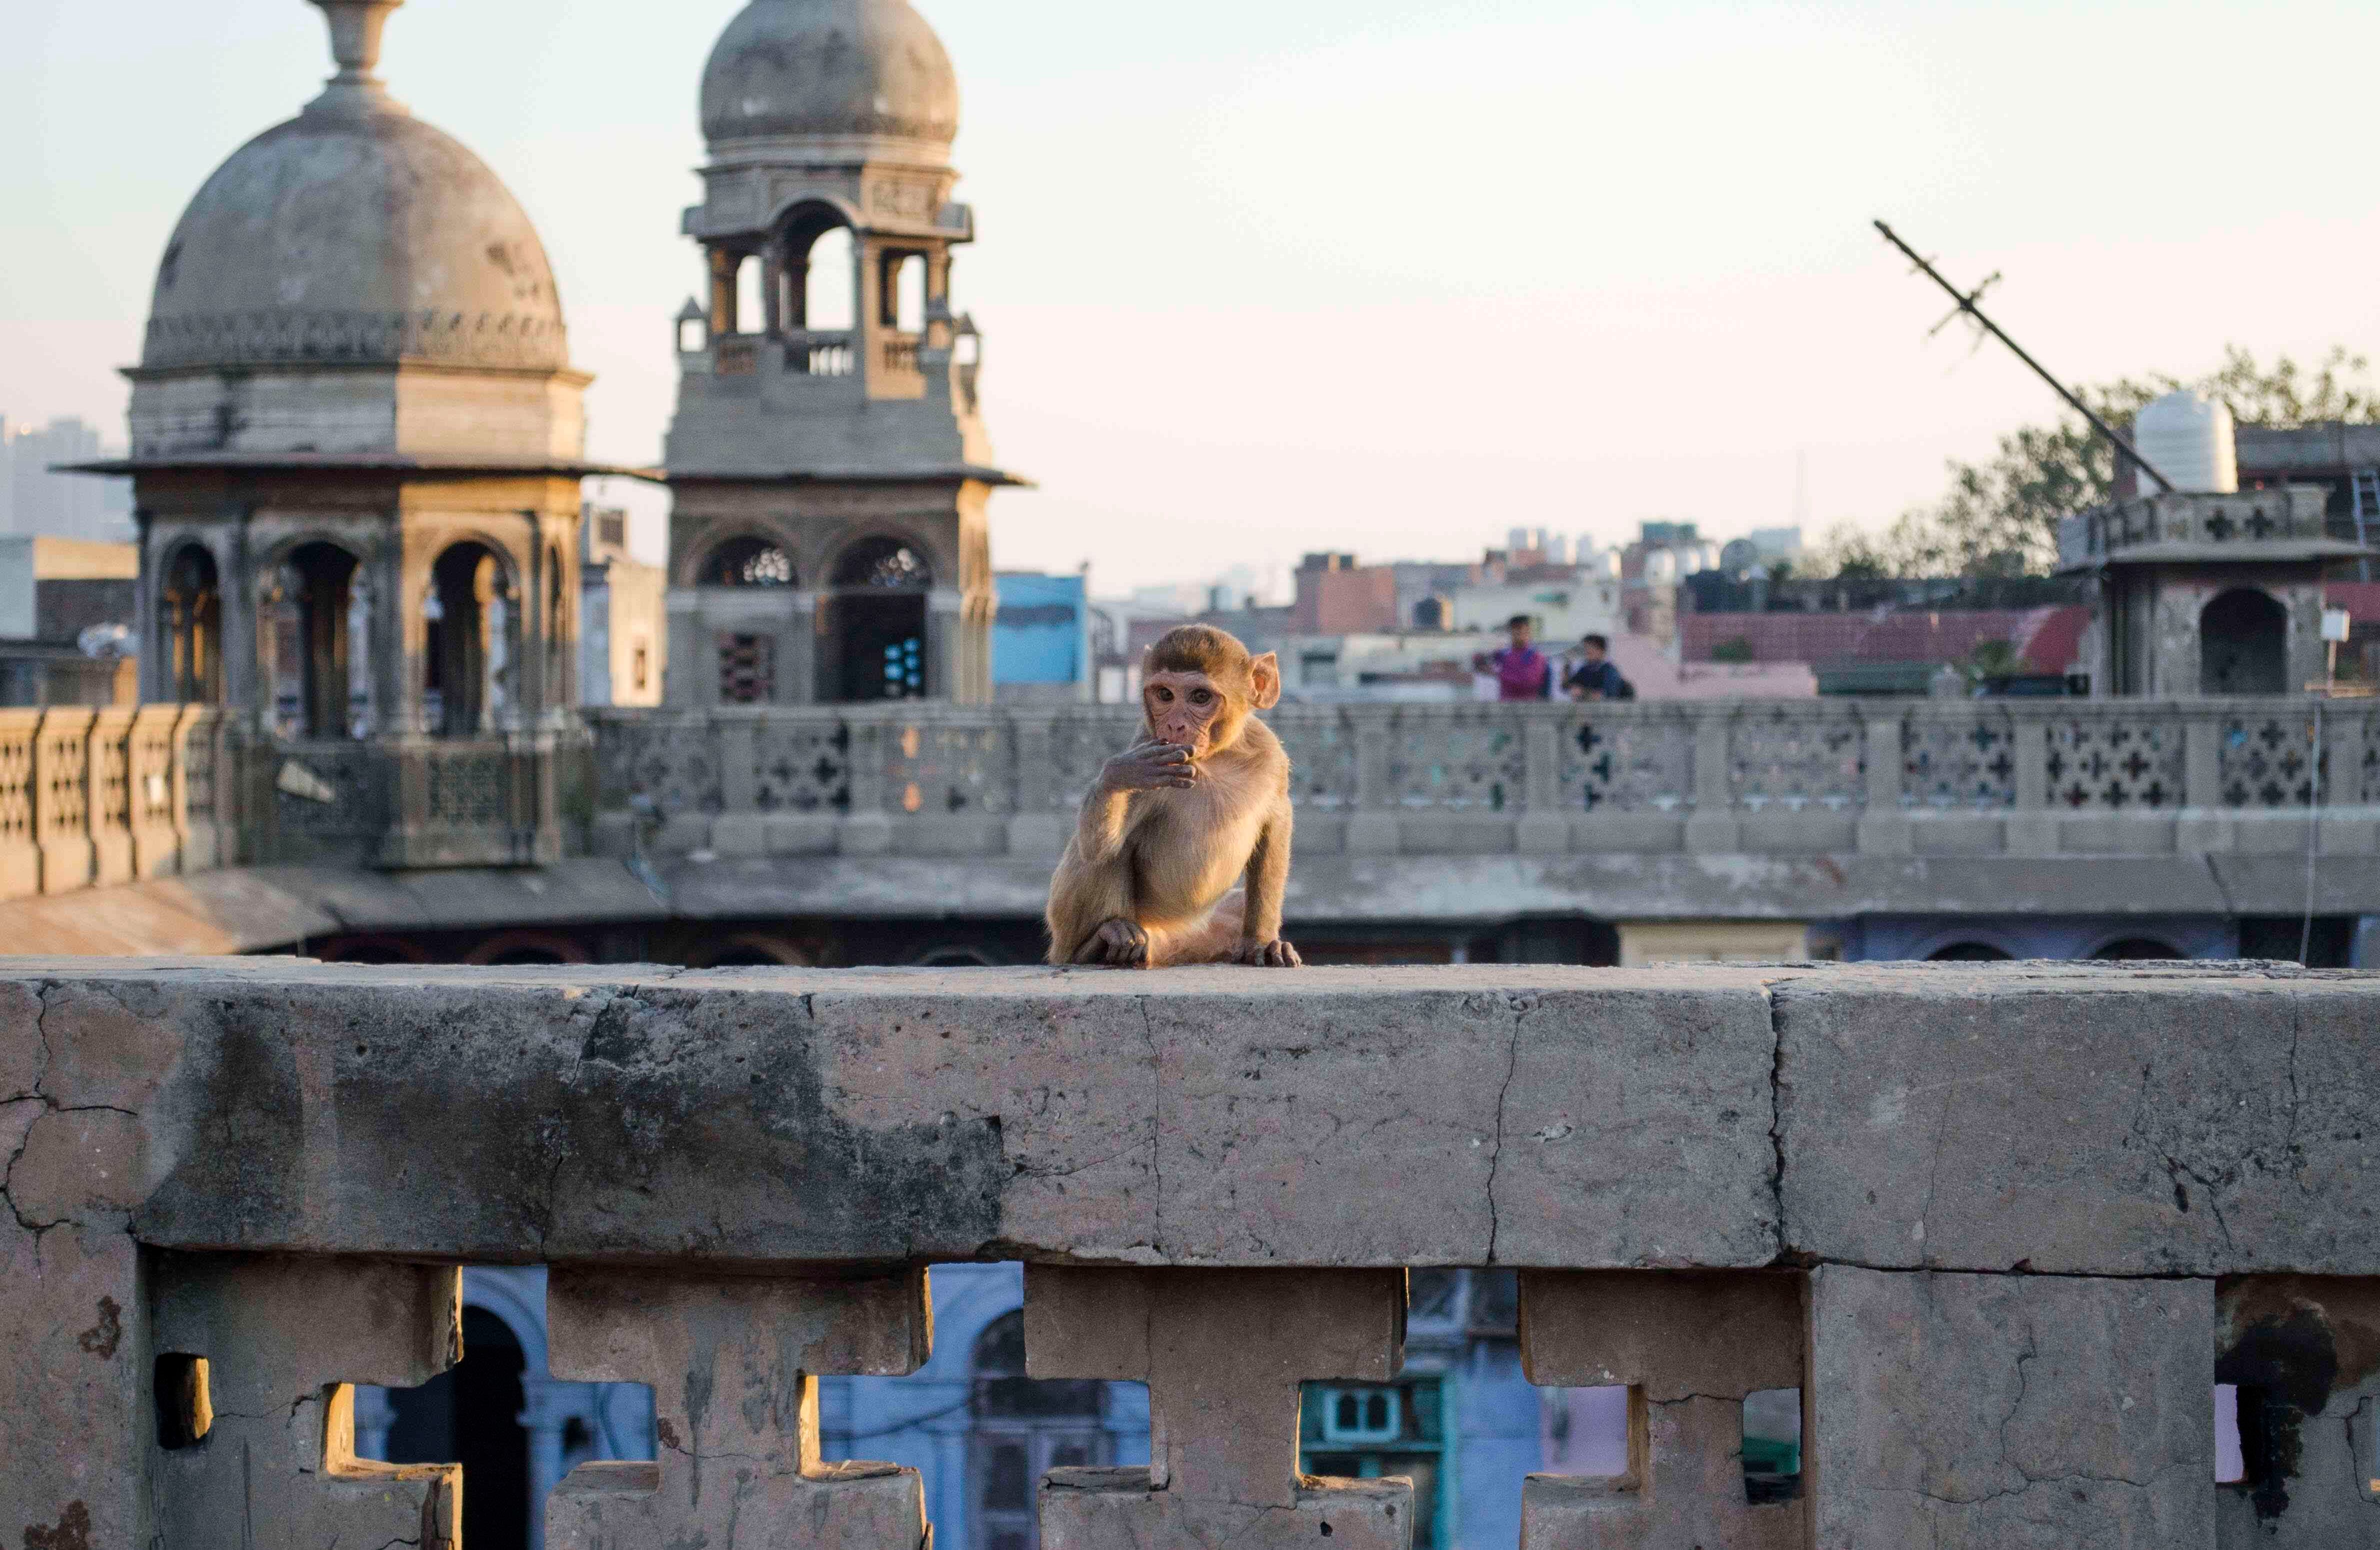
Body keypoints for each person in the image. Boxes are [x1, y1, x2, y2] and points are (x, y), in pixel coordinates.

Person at [1474, 614, 1550, 701]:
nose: (1518, 634)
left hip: (1529, 706)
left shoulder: (1536, 657)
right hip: (1506, 705)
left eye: (1521, 630)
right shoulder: (1503, 654)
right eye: (1515, 630)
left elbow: (1530, 682)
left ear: (1528, 632)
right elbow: (1478, 662)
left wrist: (1498, 674)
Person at [1563, 633, 1634, 701]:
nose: (1587, 651)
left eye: (1591, 648)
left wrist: (1583, 693)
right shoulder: (1586, 669)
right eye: (1586, 648)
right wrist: (1567, 666)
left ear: (1601, 650)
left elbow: (1606, 696)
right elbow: (1567, 687)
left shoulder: (1609, 671)